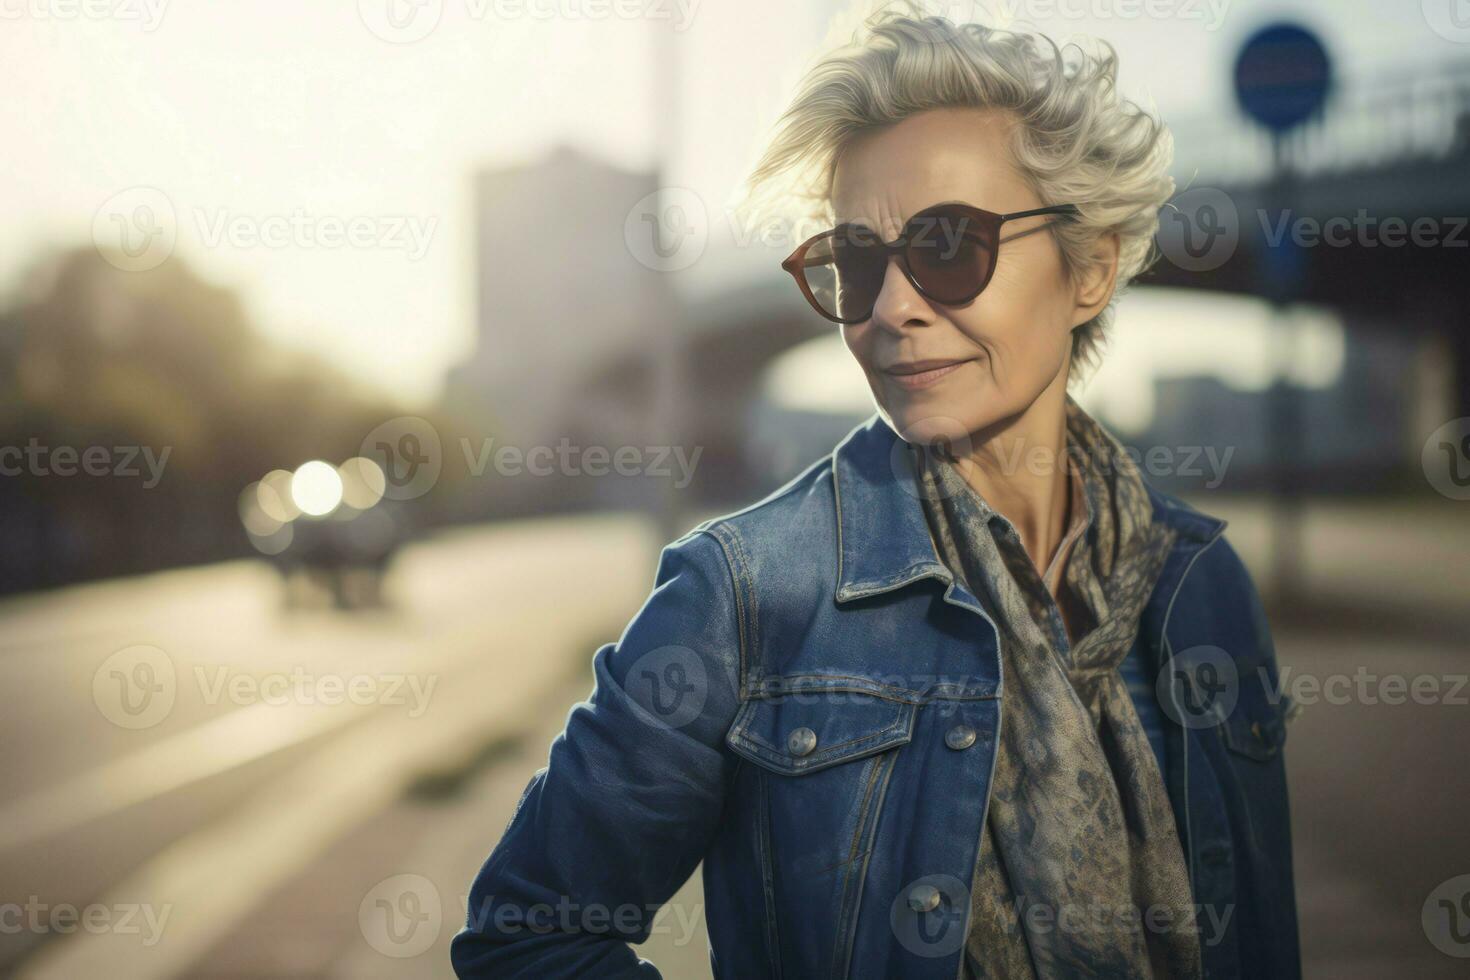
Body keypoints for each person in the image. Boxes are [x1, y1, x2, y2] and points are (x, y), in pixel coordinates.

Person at [451, 5, 1299, 977]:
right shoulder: (744, 594)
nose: (891, 307)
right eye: (855, 261)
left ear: (1092, 267)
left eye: (947, 244)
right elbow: (529, 934)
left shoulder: (1201, 585)